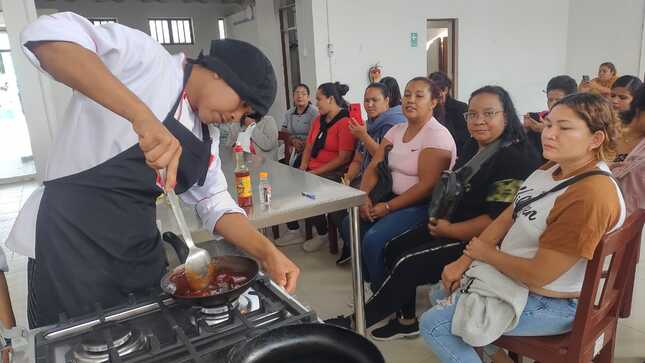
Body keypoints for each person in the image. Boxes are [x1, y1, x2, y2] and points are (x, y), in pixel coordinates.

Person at [6, 12, 299, 328]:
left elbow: (214, 204)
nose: (237, 118)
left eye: (247, 116)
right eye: (242, 105)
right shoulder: (146, 59)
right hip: (69, 246)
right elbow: (45, 37)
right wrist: (140, 115)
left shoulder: (205, 139)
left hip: (137, 252)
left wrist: (267, 252)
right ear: (220, 72)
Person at [420, 92, 625, 363]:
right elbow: (510, 213)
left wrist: (484, 253)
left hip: (554, 301)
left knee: (434, 325)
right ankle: (498, 357)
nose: (549, 134)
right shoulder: (553, 167)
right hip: (518, 279)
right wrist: (465, 259)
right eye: (549, 124)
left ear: (595, 139)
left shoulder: (590, 194)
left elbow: (539, 275)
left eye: (564, 128)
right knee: (441, 289)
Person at [326, 86, 540, 339]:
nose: (479, 121)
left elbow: (497, 221)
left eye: (489, 113)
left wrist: (449, 229)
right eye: (472, 114)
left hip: (483, 239)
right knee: (391, 247)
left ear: (506, 116)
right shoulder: (474, 144)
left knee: (408, 261)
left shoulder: (514, 157)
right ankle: (405, 320)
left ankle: (356, 322)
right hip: (449, 221)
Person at [339, 77, 457, 290]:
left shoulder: (437, 135)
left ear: (434, 102)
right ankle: (374, 281)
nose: (410, 100)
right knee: (350, 224)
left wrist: (388, 207)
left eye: (419, 96)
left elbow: (427, 186)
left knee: (374, 239)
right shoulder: (396, 130)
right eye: (407, 95)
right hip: (388, 197)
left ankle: (383, 292)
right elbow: (374, 165)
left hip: (423, 206)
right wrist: (364, 195)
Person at [334, 82, 405, 264]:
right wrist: (347, 179)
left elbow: (386, 159)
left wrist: (363, 136)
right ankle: (355, 250)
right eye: (366, 100)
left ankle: (364, 256)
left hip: (385, 182)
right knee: (335, 202)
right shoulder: (368, 124)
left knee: (349, 216)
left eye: (375, 100)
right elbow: (358, 159)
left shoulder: (395, 124)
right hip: (366, 178)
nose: (370, 104)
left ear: (387, 100)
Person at [299, 82, 356, 252]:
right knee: (298, 185)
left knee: (312, 192)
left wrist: (315, 172)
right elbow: (309, 146)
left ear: (331, 99)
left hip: (334, 171)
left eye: (319, 99)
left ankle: (328, 232)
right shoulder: (318, 120)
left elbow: (343, 158)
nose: (316, 103)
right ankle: (321, 229)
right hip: (313, 169)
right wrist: (302, 168)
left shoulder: (345, 121)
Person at [524, 75, 578, 160]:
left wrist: (546, 130)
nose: (553, 104)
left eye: (558, 100)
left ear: (572, 100)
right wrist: (523, 130)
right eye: (550, 99)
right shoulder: (540, 117)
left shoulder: (579, 122)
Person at [611, 85, 645, 214]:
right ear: (638, 110)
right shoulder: (607, 132)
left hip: (633, 226)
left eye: (622, 97)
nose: (615, 100)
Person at [429, 71, 469, 157]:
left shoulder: (460, 107)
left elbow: (465, 136)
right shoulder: (428, 107)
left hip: (455, 152)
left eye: (436, 91)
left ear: (446, 90)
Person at [282, 84, 318, 168]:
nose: (299, 96)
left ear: (308, 97)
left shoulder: (314, 113)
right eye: (297, 93)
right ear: (293, 96)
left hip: (310, 146)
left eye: (303, 94)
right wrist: (292, 140)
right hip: (293, 145)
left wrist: (305, 144)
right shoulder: (288, 113)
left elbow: (317, 133)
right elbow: (284, 131)